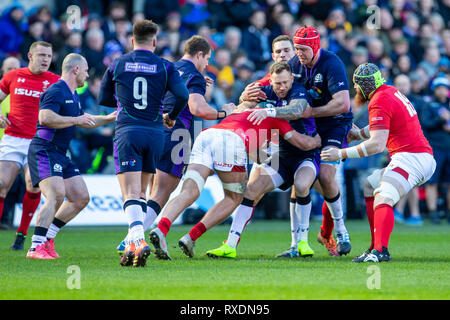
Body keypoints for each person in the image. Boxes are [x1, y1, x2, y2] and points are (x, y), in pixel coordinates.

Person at [148, 66, 321, 260]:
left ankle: (161, 228)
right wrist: (319, 141)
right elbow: (301, 142)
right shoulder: (274, 116)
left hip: (207, 136)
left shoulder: (242, 108)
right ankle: (191, 237)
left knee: (188, 191)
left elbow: (254, 148)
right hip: (232, 142)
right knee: (234, 198)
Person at [117, 35, 235, 255]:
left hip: (151, 129)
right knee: (161, 193)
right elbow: (198, 108)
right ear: (199, 55)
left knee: (143, 191)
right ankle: (131, 240)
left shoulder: (166, 68)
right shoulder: (195, 77)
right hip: (177, 135)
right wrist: (224, 112)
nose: (207, 65)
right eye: (207, 59)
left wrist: (199, 80)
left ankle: (132, 237)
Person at [321, 63, 436, 263]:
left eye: (357, 85)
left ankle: (380, 250)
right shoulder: (388, 91)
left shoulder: (379, 99)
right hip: (415, 156)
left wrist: (340, 153)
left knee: (384, 196)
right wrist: (359, 133)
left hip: (412, 158)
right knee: (370, 185)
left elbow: (376, 145)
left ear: (364, 86)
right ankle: (375, 246)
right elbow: (383, 126)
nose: (355, 89)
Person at [205, 62, 320, 259]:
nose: (281, 87)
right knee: (250, 190)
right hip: (280, 157)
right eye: (277, 84)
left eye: (285, 82)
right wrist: (238, 105)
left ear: (292, 79)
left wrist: (268, 112)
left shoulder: (299, 92)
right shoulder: (266, 91)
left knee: (303, 186)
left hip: (306, 153)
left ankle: (304, 241)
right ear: (271, 81)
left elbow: (297, 110)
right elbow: (245, 106)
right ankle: (230, 245)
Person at [98, 20, 188, 267]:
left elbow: (103, 97)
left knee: (130, 192)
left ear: (131, 40)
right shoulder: (165, 66)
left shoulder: (117, 63)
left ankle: (137, 239)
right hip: (156, 133)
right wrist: (170, 116)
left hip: (128, 131)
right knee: (142, 193)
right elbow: (182, 95)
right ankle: (130, 244)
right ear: (155, 41)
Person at [26, 53, 116, 259]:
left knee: (80, 197)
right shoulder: (56, 89)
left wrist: (109, 118)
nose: (86, 75)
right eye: (85, 71)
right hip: (44, 150)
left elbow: (85, 120)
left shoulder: (73, 94)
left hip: (60, 153)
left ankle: (48, 238)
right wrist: (75, 120)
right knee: (56, 195)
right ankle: (35, 247)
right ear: (75, 69)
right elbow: (45, 118)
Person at [288, 26, 352, 256]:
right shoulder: (294, 64)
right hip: (308, 126)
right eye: (296, 49)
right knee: (300, 180)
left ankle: (341, 231)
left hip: (334, 123)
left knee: (326, 175)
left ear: (315, 47)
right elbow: (279, 85)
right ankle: (297, 244)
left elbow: (343, 104)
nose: (299, 54)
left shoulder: (332, 63)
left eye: (303, 49)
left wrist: (310, 113)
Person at [0, 42, 60, 251]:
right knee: (1, 184)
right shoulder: (13, 76)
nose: (45, 59)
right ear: (30, 56)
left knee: (32, 186)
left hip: (39, 140)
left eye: (49, 56)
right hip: (13, 139)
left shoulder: (55, 81)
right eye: (41, 55)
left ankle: (21, 235)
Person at [420, 76, 450, 224]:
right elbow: (426, 123)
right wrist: (442, 120)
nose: (442, 91)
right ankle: (433, 213)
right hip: (435, 148)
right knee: (432, 182)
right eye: (439, 88)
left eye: (444, 88)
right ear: (434, 90)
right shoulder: (429, 105)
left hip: (448, 147)